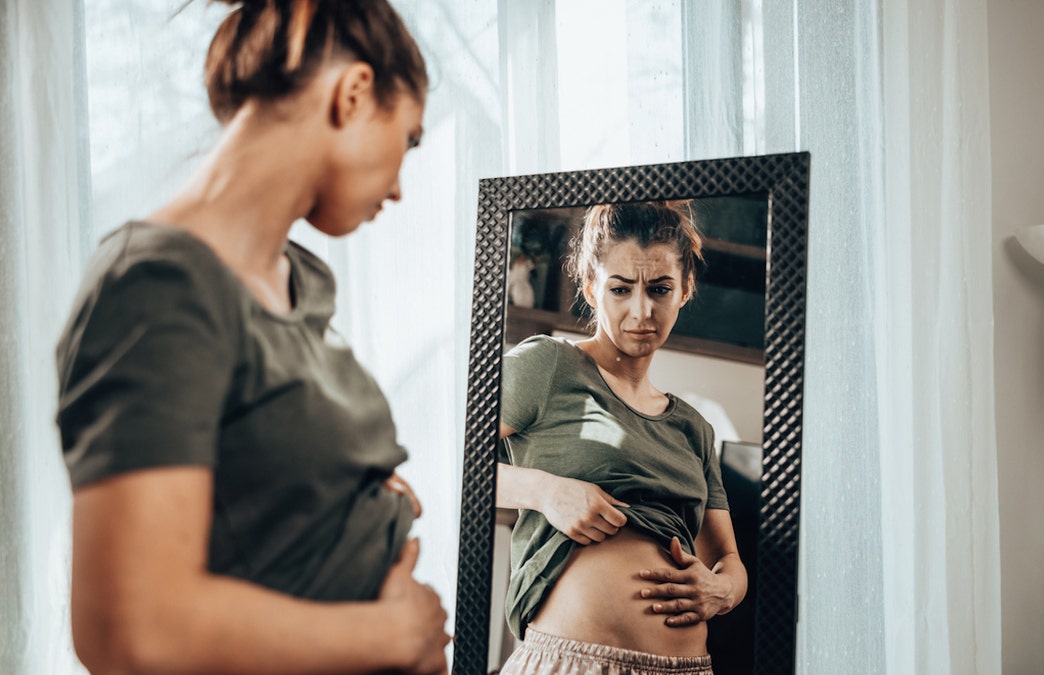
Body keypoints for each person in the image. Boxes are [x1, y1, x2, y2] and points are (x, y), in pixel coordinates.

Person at [54, 1, 450, 672]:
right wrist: (393, 635)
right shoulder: (156, 287)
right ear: (354, 93)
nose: (401, 189)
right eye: (408, 140)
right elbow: (129, 627)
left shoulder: (294, 280)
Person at [496, 201, 748, 675]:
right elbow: (444, 458)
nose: (641, 311)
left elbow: (727, 559)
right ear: (591, 287)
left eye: (659, 289)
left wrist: (724, 592)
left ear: (685, 290)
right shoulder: (547, 366)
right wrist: (546, 491)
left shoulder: (693, 427)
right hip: (572, 662)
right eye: (620, 289)